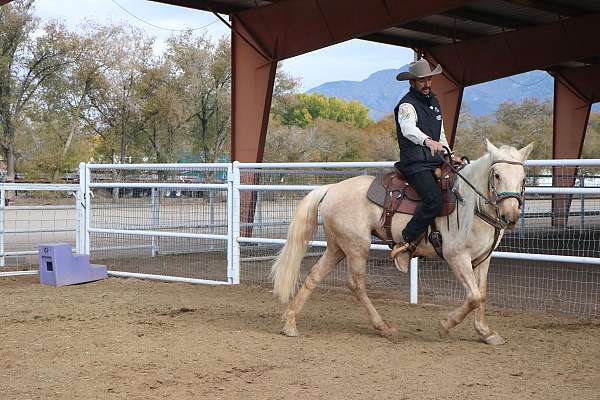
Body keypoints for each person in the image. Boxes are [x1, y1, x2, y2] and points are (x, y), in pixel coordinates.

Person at [391, 58, 460, 269]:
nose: (427, 83)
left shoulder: (434, 101)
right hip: (415, 163)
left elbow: (440, 134)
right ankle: (406, 242)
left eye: (429, 79)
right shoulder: (406, 105)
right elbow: (408, 130)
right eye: (422, 80)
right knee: (433, 200)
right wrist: (427, 141)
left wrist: (449, 153)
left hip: (433, 161)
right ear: (412, 82)